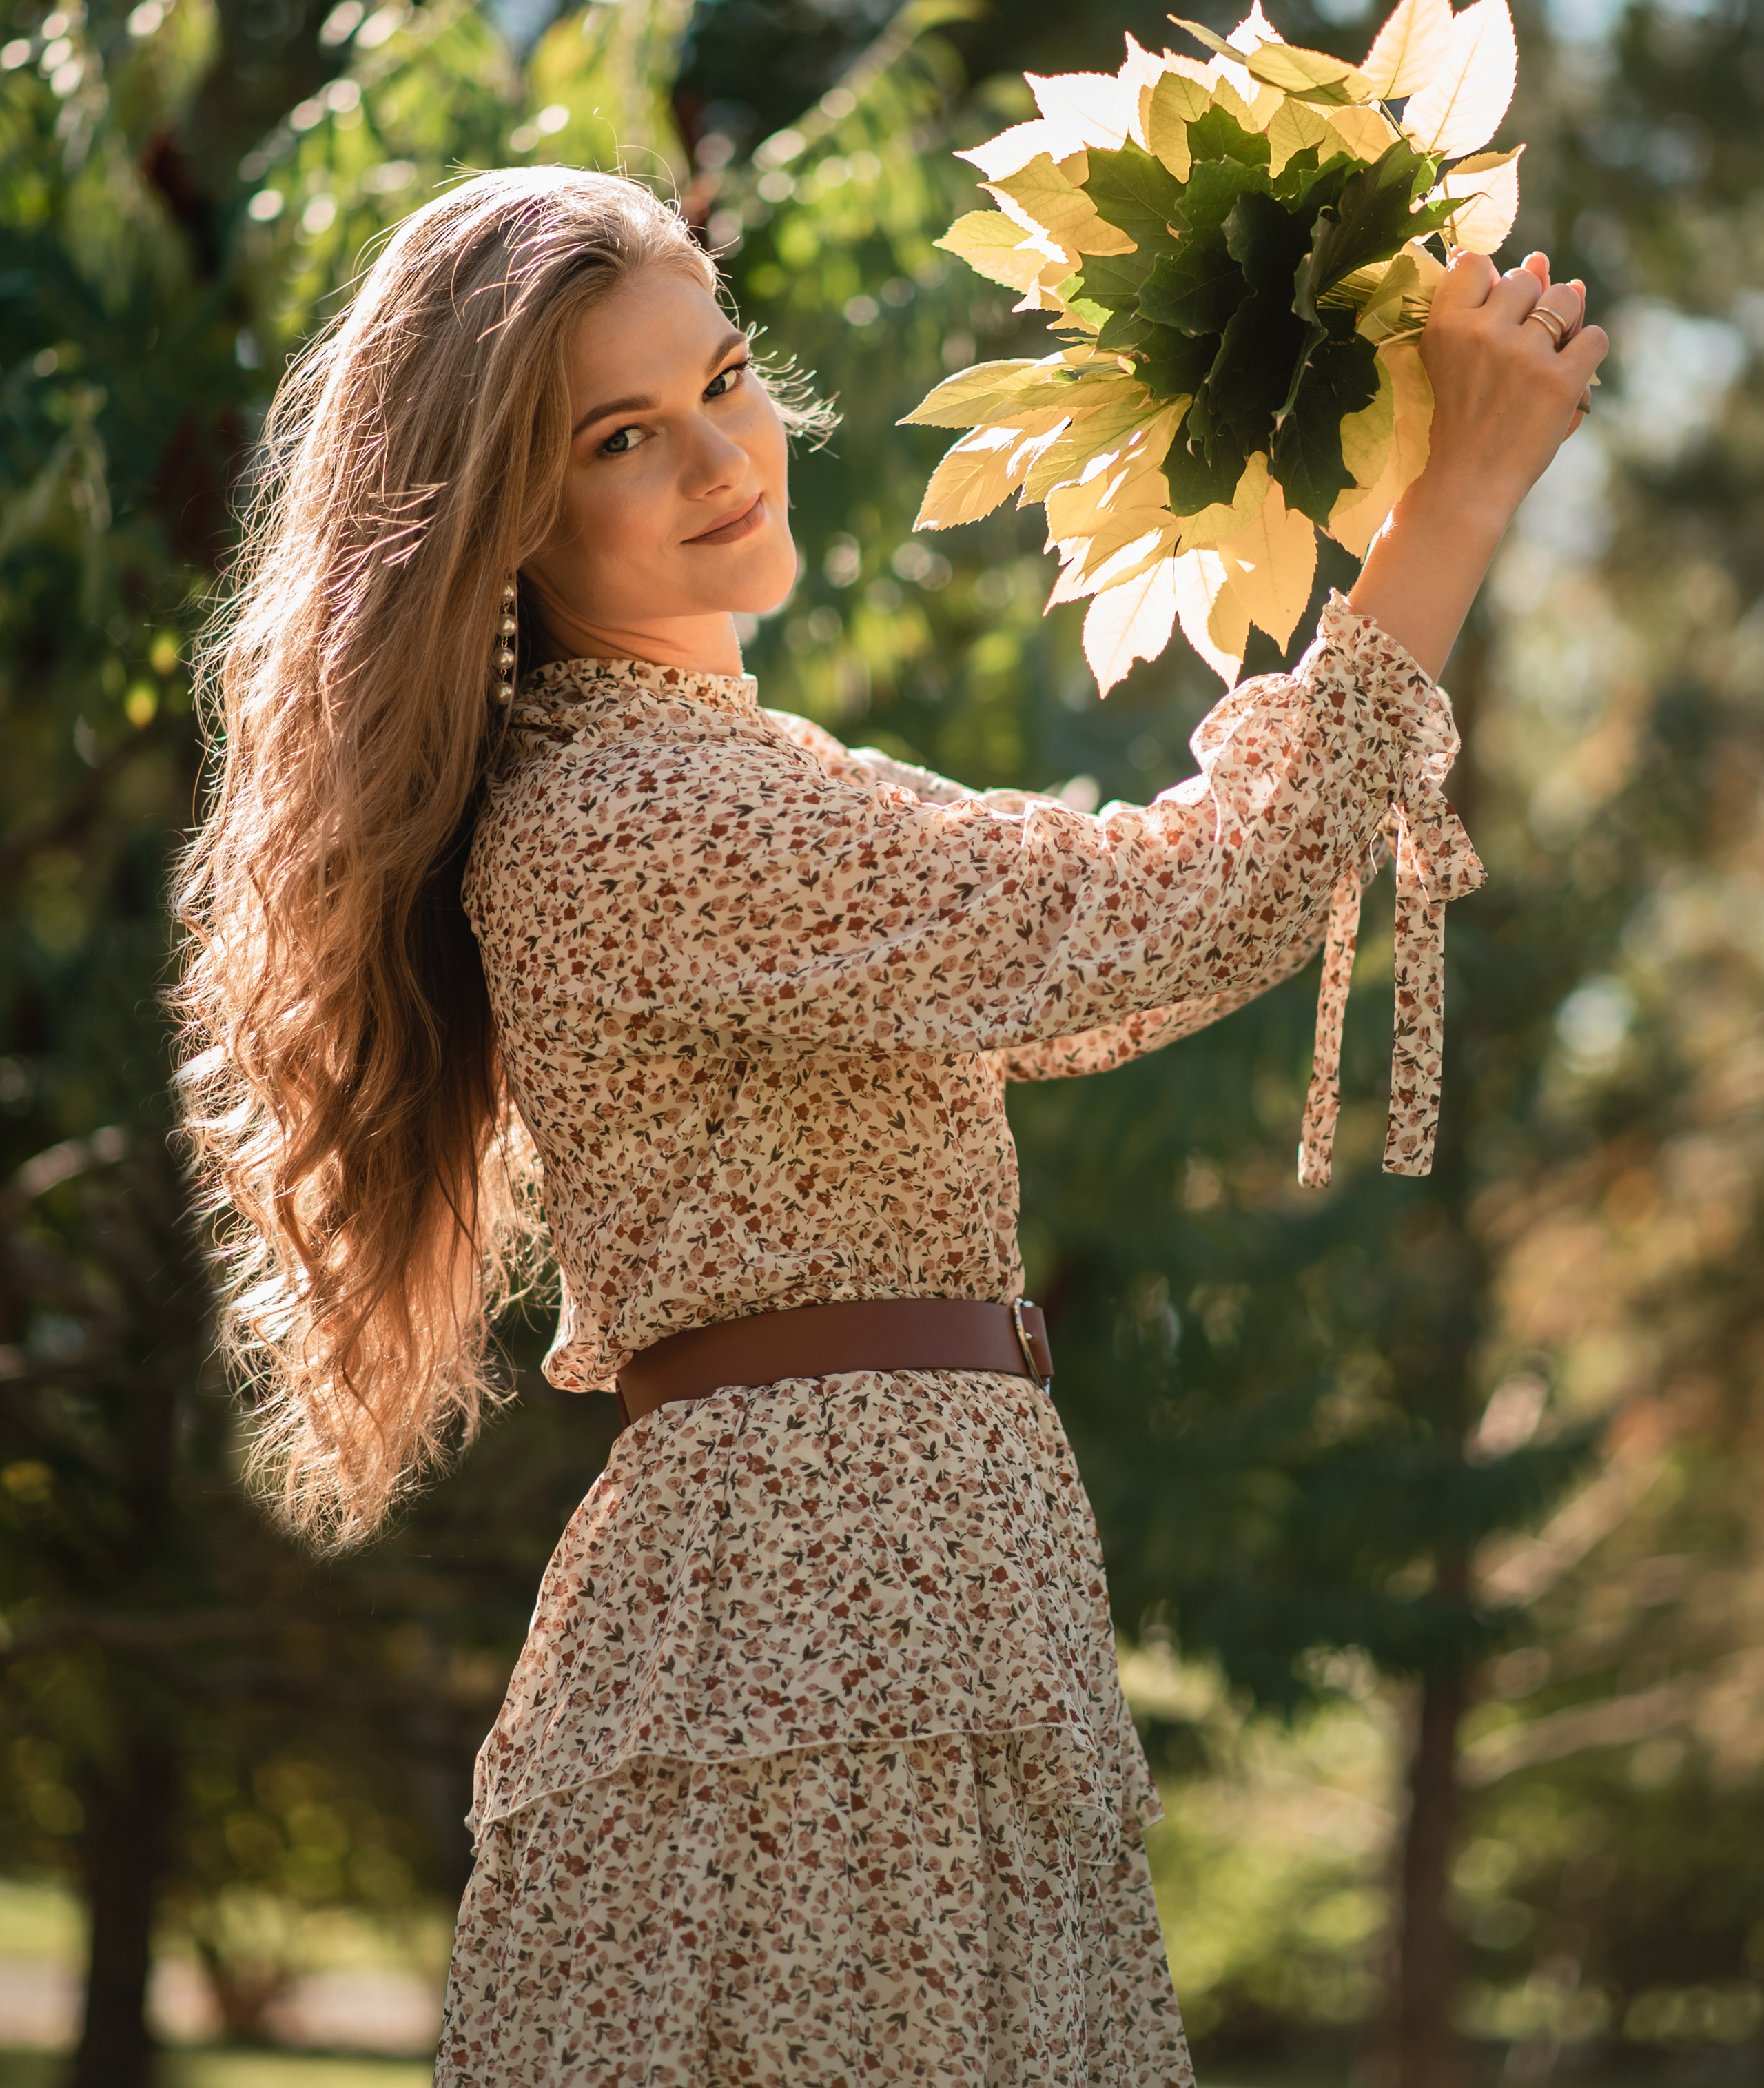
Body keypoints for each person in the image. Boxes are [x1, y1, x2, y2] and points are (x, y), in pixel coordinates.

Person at [174, 163, 1602, 2088]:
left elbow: (1123, 949)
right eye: (622, 434)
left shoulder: (727, 780)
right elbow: (1182, 904)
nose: (719, 453)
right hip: (815, 1635)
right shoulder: (639, 820)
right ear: (509, 519)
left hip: (896, 1598)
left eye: (725, 377)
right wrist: (1457, 506)